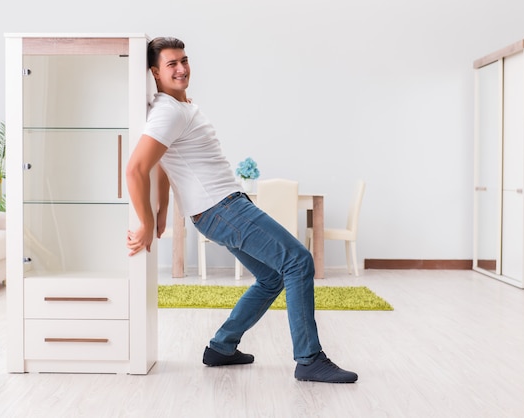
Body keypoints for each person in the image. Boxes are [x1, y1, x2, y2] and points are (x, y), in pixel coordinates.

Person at [126, 36, 358, 384]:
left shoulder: (182, 106)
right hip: (221, 208)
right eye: (171, 64)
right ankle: (309, 359)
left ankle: (222, 347)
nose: (181, 68)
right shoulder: (168, 112)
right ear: (155, 73)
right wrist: (146, 221)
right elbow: (135, 169)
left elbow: (162, 164)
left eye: (184, 60)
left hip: (223, 207)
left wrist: (162, 211)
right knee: (298, 261)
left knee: (273, 276)